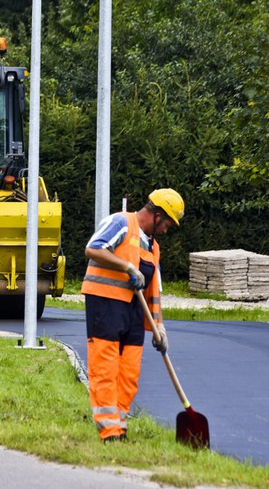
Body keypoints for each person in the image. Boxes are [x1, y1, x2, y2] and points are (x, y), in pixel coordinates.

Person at [80, 188, 185, 443]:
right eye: (167, 223)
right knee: (105, 368)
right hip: (105, 305)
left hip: (134, 311)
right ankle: (109, 432)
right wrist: (126, 266)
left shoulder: (153, 247)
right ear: (157, 215)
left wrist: (160, 329)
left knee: (129, 372)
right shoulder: (121, 223)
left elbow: (153, 294)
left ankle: (120, 425)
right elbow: (93, 249)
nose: (166, 230)